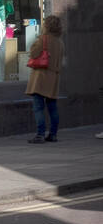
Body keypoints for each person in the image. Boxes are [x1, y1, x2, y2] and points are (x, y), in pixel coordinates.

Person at [26, 15, 65, 143]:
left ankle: (40, 135)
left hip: (41, 77)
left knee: (38, 107)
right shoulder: (60, 42)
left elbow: (33, 53)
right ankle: (53, 134)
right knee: (52, 107)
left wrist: (36, 42)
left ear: (46, 26)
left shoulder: (43, 39)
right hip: (53, 78)